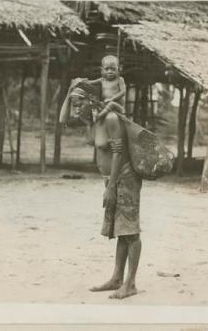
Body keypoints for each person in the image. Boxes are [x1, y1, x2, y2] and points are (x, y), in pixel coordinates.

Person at [59, 82, 142, 299]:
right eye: (74, 105)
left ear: (91, 100)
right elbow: (62, 120)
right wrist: (69, 94)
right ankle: (117, 278)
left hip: (124, 179)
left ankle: (130, 283)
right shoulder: (94, 121)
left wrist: (112, 187)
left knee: (130, 232)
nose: (76, 109)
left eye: (79, 104)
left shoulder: (111, 119)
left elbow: (118, 153)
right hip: (111, 180)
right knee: (120, 230)